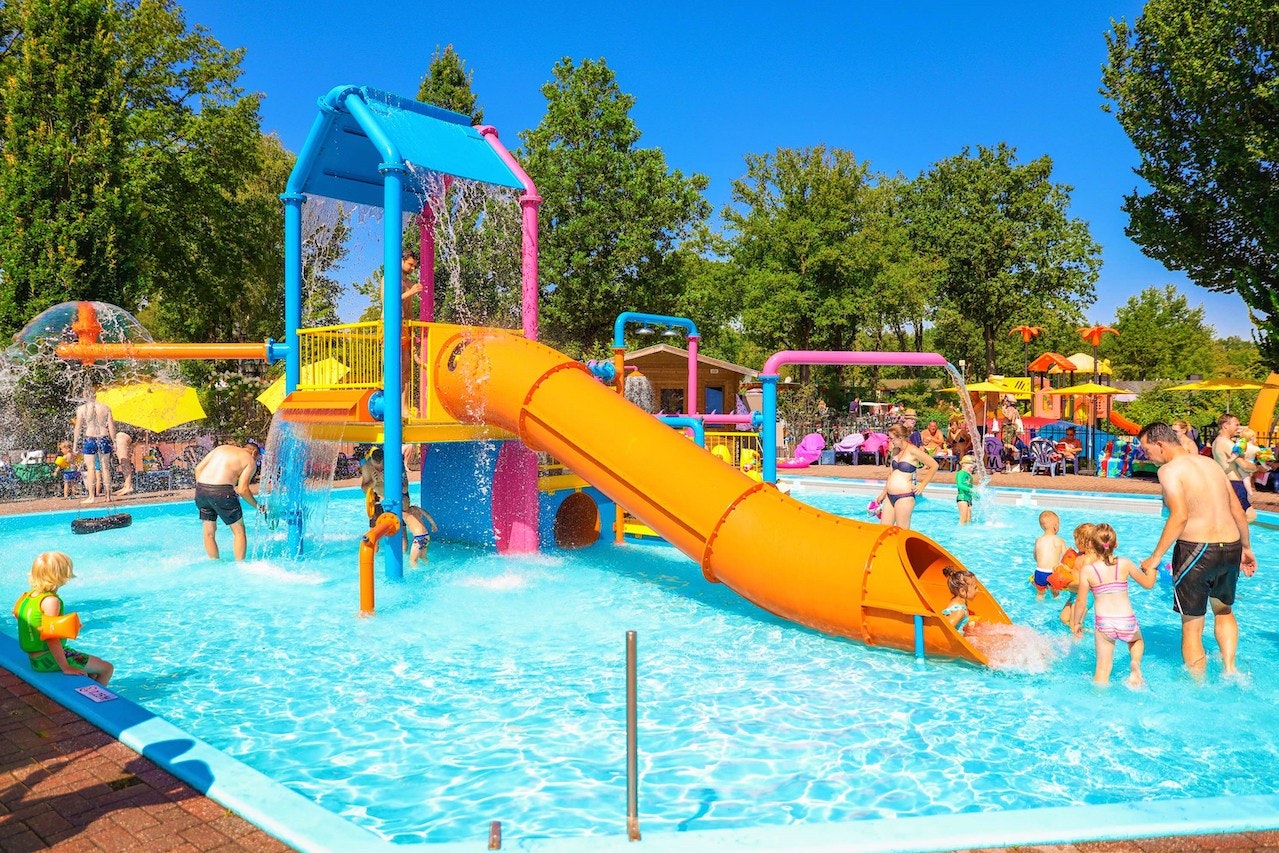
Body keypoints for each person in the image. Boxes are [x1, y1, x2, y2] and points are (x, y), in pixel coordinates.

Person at [1137, 421, 1257, 679]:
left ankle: (1197, 686)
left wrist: (1155, 558)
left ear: (1160, 444)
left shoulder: (1169, 470)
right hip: (1231, 546)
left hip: (1197, 550)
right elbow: (1237, 510)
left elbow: (1179, 515)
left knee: (1192, 626)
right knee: (1223, 610)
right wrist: (1246, 547)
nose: (1146, 456)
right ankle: (1230, 670)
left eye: (1146, 450)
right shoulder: (1211, 464)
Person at [1071, 523, 1158, 686]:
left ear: (1092, 545)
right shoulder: (1125, 563)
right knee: (1136, 641)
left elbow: (1081, 601)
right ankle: (1135, 664)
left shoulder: (1088, 571)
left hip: (1104, 624)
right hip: (1126, 620)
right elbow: (1148, 584)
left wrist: (1077, 623)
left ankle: (1098, 696)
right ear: (1115, 544)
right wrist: (1152, 570)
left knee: (1102, 670)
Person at [13, 552, 113, 684]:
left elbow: (21, 616)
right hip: (48, 659)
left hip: (36, 658)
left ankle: (85, 690)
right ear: (61, 575)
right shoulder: (51, 601)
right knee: (106, 668)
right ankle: (99, 696)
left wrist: (65, 627)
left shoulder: (28, 596)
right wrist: (66, 667)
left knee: (93, 670)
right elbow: (52, 638)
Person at [192, 440, 263, 561]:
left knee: (209, 533)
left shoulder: (221, 448)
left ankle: (214, 563)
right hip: (222, 491)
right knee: (239, 532)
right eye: (257, 459)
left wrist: (205, 490)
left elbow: (198, 469)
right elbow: (243, 489)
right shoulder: (249, 460)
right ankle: (240, 565)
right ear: (254, 452)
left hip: (201, 490)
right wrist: (258, 506)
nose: (256, 461)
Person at [874, 424, 937, 530]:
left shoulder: (913, 450)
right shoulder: (895, 450)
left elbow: (934, 465)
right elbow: (891, 474)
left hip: (904, 497)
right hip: (889, 496)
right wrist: (883, 494)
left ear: (900, 437)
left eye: (892, 438)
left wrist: (922, 486)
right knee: (883, 530)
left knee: (902, 532)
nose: (890, 441)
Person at [72, 388, 115, 504]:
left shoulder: (82, 409)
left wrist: (75, 444)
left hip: (90, 439)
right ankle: (108, 496)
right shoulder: (105, 408)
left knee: (91, 468)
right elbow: (111, 426)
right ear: (95, 395)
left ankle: (91, 497)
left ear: (84, 396)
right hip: (104, 438)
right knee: (105, 468)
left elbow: (78, 427)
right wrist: (114, 441)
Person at [1212, 413, 1257, 523]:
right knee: (1249, 516)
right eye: (1236, 425)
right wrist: (1256, 467)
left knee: (1233, 517)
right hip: (1235, 484)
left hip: (1227, 482)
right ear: (1225, 426)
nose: (1238, 428)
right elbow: (1244, 465)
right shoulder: (1227, 443)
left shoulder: (1216, 441)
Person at [1031, 511, 1069, 600]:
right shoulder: (1060, 540)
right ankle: (1057, 602)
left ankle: (1039, 606)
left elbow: (1035, 557)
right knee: (1055, 594)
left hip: (1039, 572)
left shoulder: (1038, 540)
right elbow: (1066, 559)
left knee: (1040, 594)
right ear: (1055, 526)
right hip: (1053, 573)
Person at [940, 566, 980, 634]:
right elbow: (946, 629)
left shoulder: (956, 601)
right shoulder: (960, 611)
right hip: (955, 639)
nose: (977, 590)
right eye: (975, 588)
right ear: (962, 591)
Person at [955, 453, 976, 524]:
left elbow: (970, 487)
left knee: (969, 519)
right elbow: (960, 485)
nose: (971, 468)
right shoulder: (961, 473)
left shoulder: (970, 476)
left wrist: (974, 494)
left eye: (972, 467)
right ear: (963, 465)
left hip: (969, 498)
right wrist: (971, 490)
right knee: (963, 519)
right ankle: (960, 530)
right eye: (970, 467)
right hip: (962, 497)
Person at [114, 428, 134, 496]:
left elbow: (112, 426)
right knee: (125, 461)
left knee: (124, 461)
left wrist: (114, 441)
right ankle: (126, 485)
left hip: (122, 435)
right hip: (128, 433)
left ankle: (128, 486)